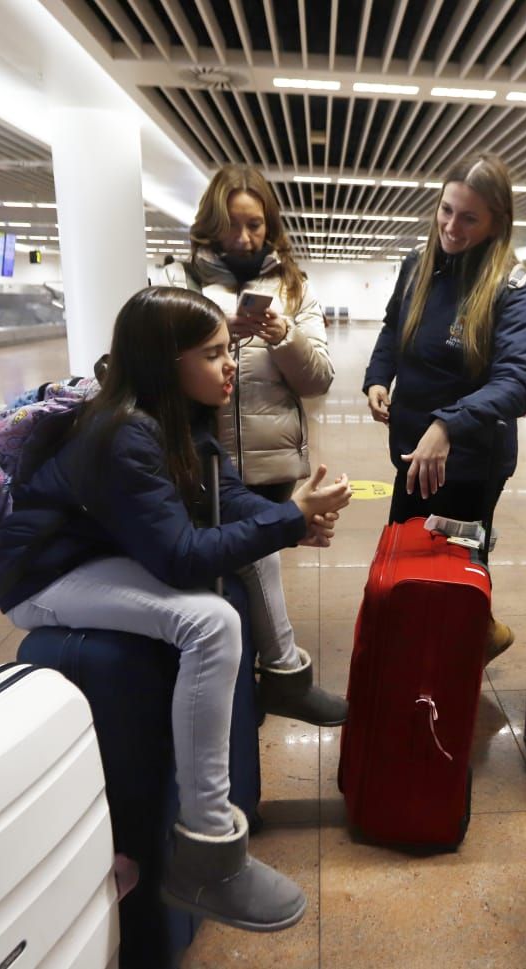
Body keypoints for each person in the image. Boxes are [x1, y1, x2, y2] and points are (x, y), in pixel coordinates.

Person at [0, 287, 351, 931]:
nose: (230, 365)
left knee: (253, 554)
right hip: (48, 578)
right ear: (165, 360)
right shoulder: (125, 432)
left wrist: (291, 520)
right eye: (212, 354)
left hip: (98, 550)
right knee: (210, 622)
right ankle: (207, 854)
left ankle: (287, 678)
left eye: (226, 351)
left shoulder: (183, 414)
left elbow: (231, 501)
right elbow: (182, 558)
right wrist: (291, 521)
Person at [363, 152, 526, 663]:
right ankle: (447, 641)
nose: (451, 226)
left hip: (468, 463)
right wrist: (378, 377)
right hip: (414, 455)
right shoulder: (417, 266)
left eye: (469, 218)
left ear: (496, 223)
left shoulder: (512, 288)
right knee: (409, 555)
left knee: (454, 565)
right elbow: (394, 329)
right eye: (446, 210)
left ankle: (462, 646)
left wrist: (448, 424)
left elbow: (518, 383)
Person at [184, 164, 343, 722]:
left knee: (259, 559)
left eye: (256, 226)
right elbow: (158, 369)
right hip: (203, 457)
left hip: (274, 460)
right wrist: (216, 334)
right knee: (232, 569)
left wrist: (285, 337)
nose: (245, 238)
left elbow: (319, 378)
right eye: (233, 225)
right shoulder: (181, 283)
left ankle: (259, 678)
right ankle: (260, 678)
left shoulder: (294, 289)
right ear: (212, 225)